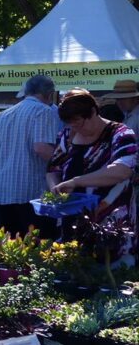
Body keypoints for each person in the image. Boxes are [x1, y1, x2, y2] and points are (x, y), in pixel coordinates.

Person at [47, 89, 136, 246]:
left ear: (94, 111)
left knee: (111, 266)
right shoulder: (67, 135)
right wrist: (56, 191)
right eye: (70, 123)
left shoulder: (121, 134)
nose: (75, 128)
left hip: (110, 220)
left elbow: (122, 170)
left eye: (79, 122)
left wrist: (76, 181)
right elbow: (54, 169)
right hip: (71, 217)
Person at [0, 74, 60, 236]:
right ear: (49, 93)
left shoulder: (3, 115)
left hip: (0, 191)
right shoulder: (43, 111)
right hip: (28, 193)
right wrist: (63, 164)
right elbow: (41, 148)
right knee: (30, 251)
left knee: (6, 250)